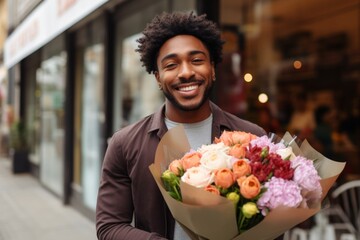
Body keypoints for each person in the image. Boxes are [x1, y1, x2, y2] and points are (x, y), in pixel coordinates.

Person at [96, 11, 266, 240]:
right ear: (157, 77)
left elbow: (271, 219)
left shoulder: (253, 138)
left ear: (213, 69)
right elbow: (109, 227)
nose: (186, 72)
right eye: (171, 65)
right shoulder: (125, 143)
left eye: (197, 60)